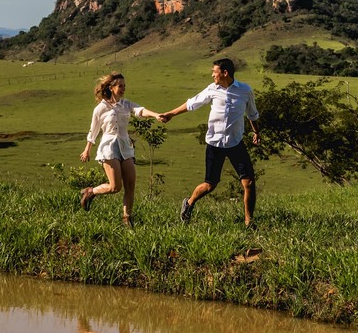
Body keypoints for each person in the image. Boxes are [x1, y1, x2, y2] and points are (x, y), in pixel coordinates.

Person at [159, 58, 260, 227]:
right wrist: (170, 114)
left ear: (225, 73)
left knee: (248, 182)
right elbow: (192, 104)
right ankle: (189, 203)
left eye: (215, 72)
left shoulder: (245, 90)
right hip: (215, 144)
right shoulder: (212, 89)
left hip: (235, 143)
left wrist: (256, 132)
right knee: (210, 185)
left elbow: (252, 114)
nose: (213, 75)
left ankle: (249, 221)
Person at [79, 72, 164, 226]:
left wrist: (156, 115)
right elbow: (93, 130)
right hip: (109, 148)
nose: (123, 89)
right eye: (120, 86)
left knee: (130, 184)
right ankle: (91, 191)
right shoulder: (100, 108)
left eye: (124, 86)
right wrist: (87, 150)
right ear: (111, 88)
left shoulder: (126, 104)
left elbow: (140, 110)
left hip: (125, 147)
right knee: (115, 187)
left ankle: (127, 219)